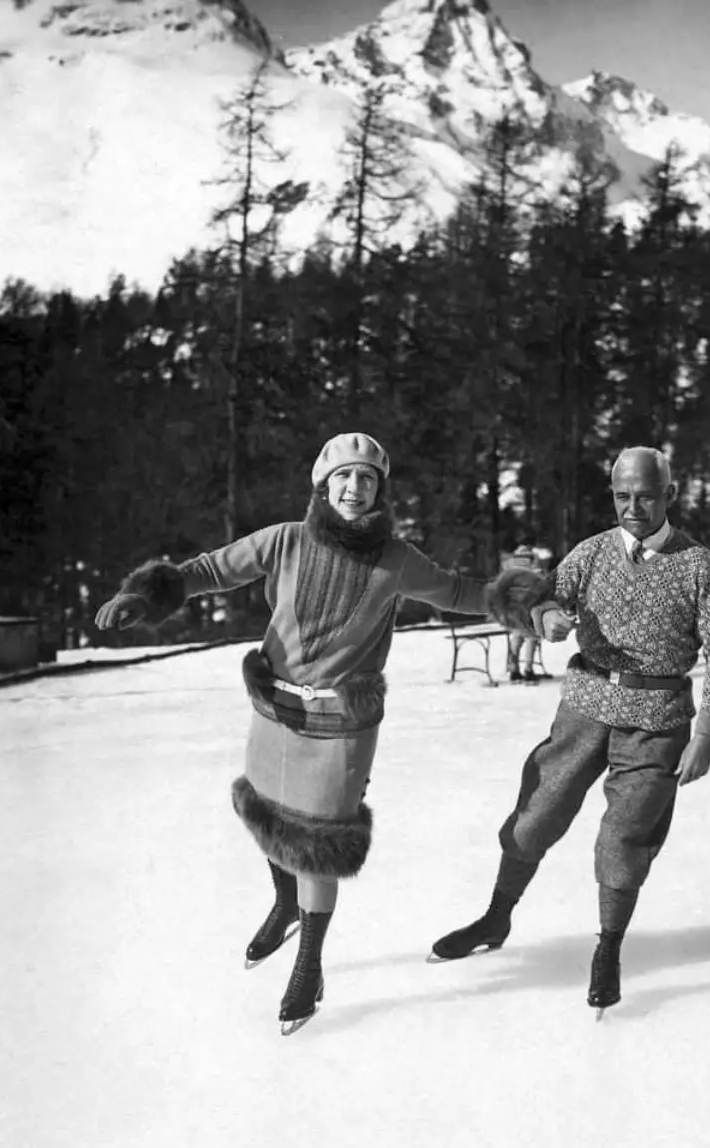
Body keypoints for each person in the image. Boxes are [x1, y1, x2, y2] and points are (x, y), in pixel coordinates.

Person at [95, 432, 535, 1034]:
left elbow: (461, 592)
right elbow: (209, 570)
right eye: (343, 478)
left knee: (321, 839)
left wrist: (521, 603)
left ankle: (310, 966)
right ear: (323, 486)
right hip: (276, 710)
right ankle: (285, 905)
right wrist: (143, 596)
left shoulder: (396, 560)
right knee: (267, 811)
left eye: (367, 480)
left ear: (380, 491)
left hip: (340, 725)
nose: (355, 489)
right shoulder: (284, 541)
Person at [430, 446, 710, 1015]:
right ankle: (497, 916)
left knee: (625, 836)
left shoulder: (698, 565)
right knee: (538, 809)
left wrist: (707, 733)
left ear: (669, 494)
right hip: (586, 704)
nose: (633, 508)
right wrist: (545, 616)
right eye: (622, 496)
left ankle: (609, 948)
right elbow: (547, 596)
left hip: (659, 718)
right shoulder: (591, 553)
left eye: (645, 496)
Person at [503, 536, 545, 684]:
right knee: (532, 637)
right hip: (529, 603)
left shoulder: (510, 562)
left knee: (517, 637)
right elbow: (539, 578)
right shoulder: (532, 559)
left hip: (513, 605)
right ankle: (528, 669)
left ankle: (514, 670)